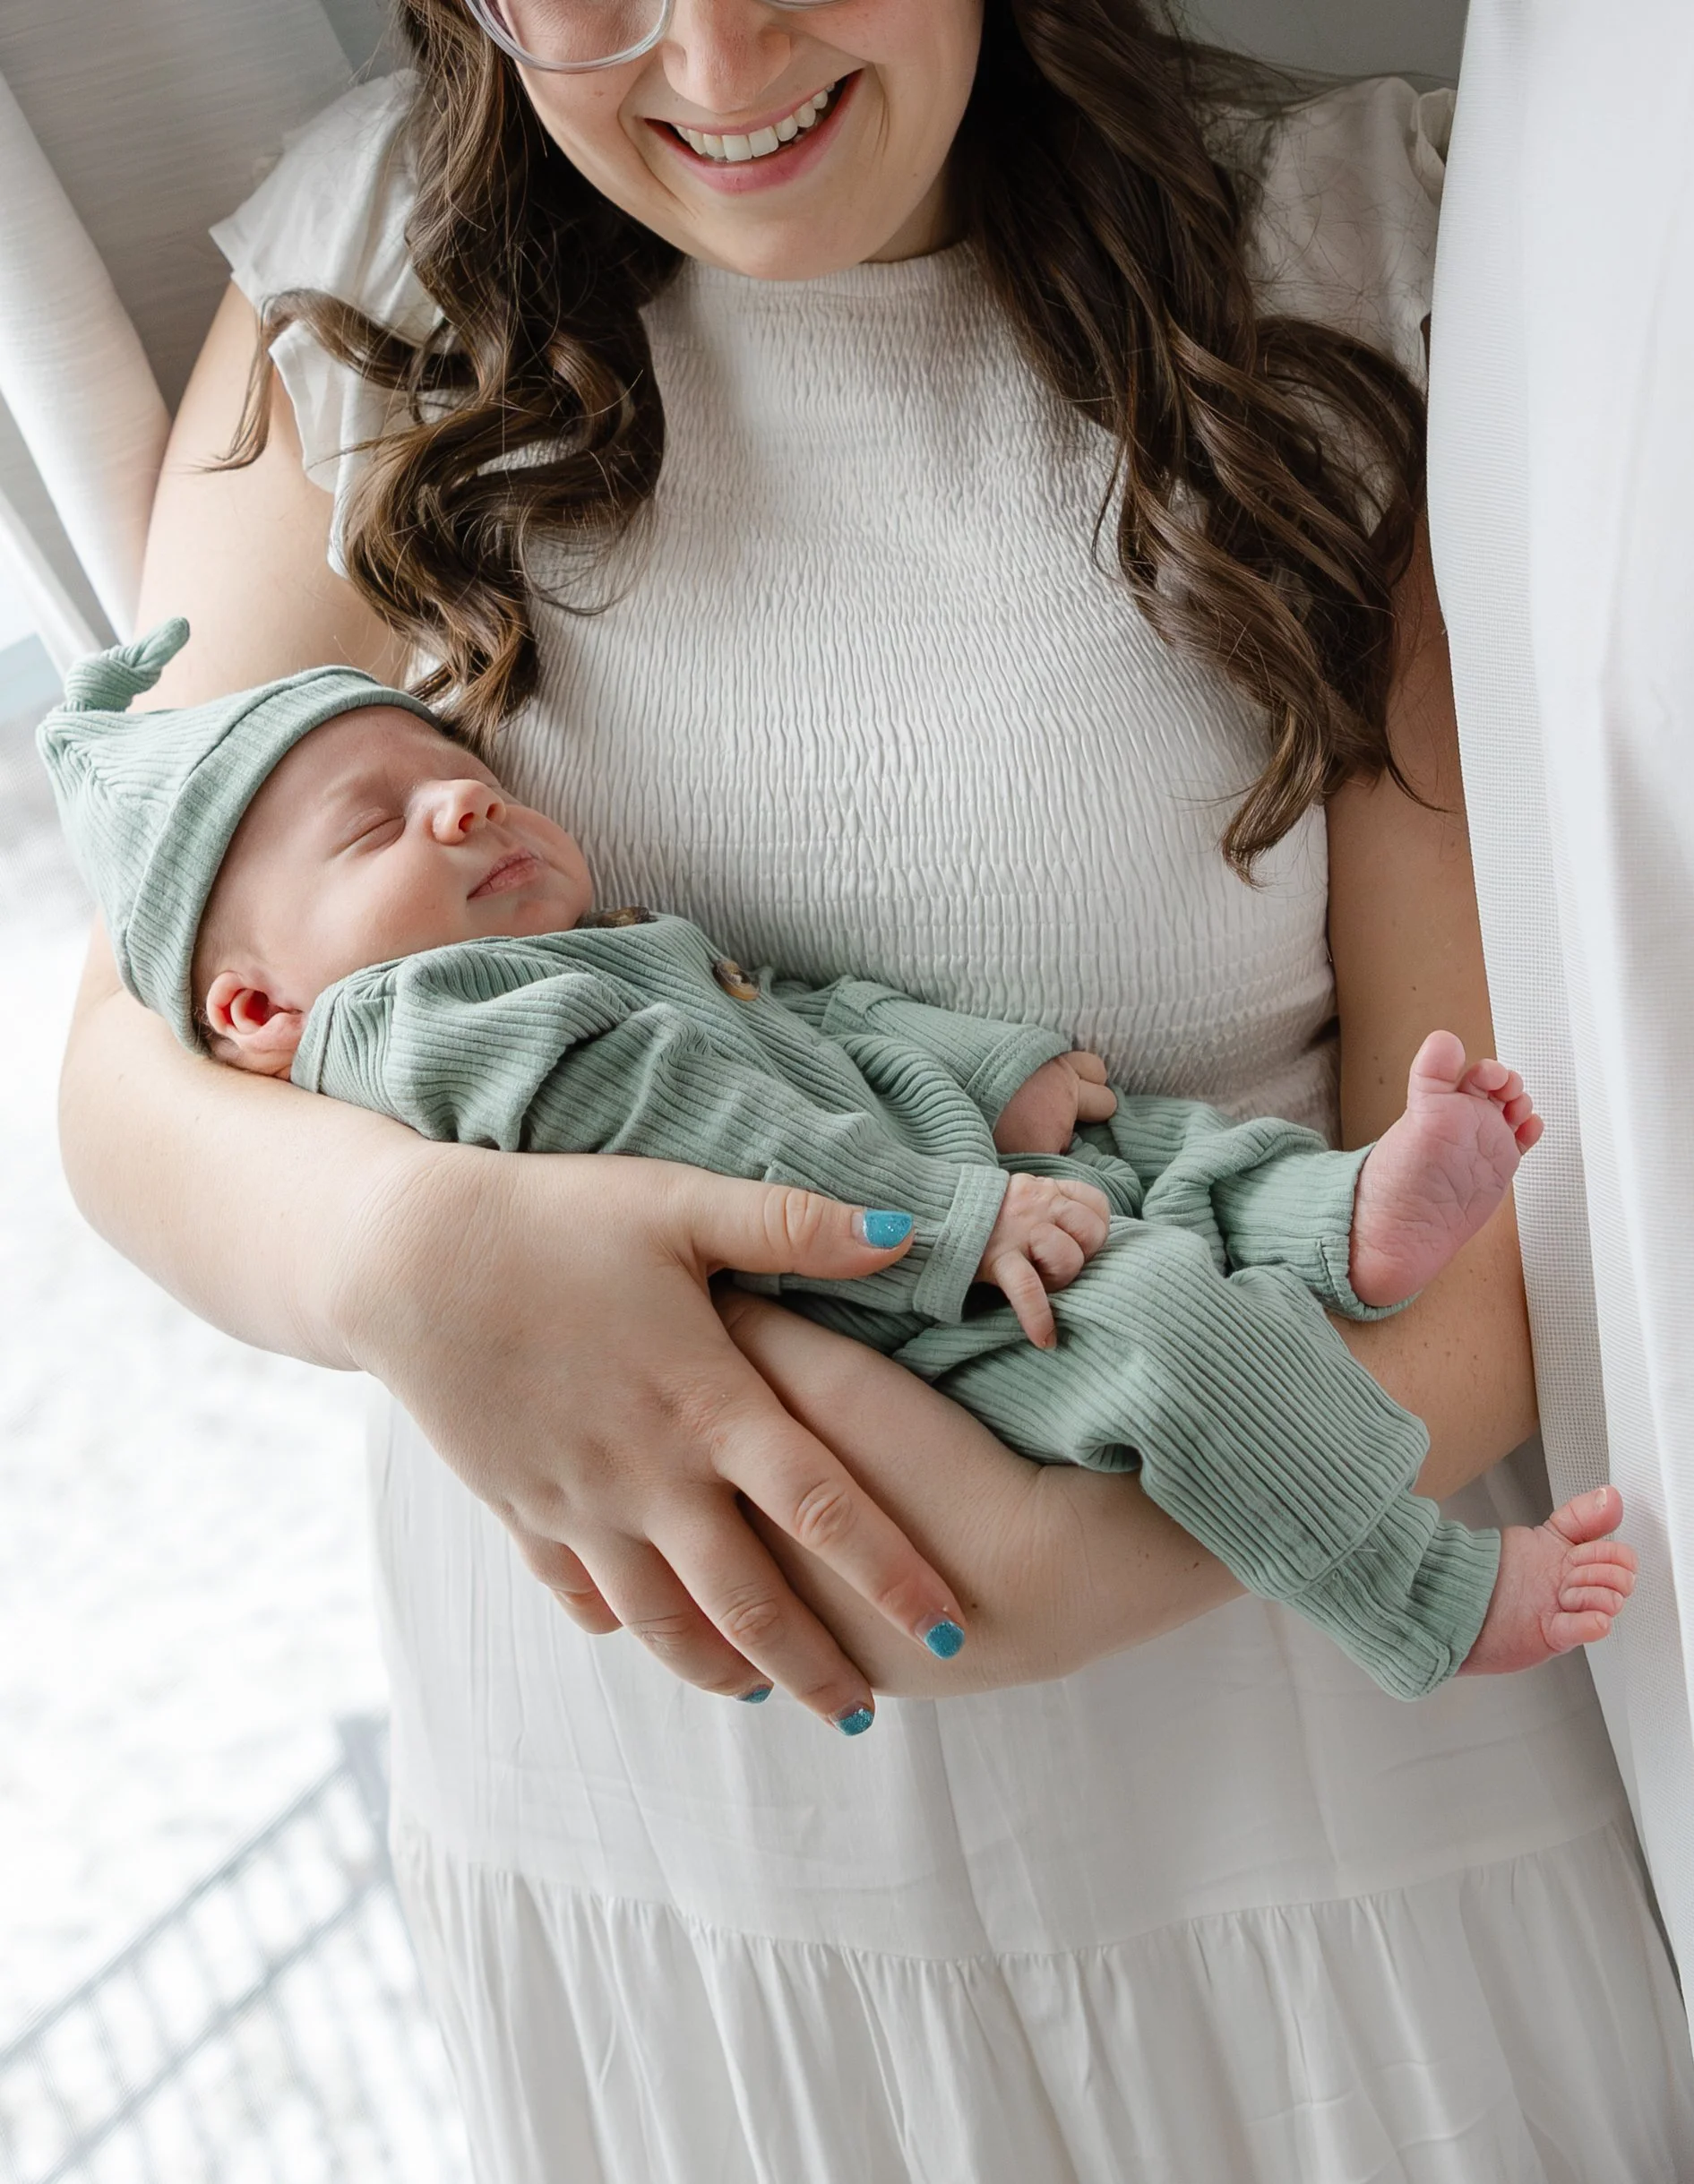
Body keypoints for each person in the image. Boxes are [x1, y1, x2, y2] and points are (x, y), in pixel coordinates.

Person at [58, 2, 1694, 2175]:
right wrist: (403, 1254)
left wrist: (1039, 1564)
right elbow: (137, 1063)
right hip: (668, 1890)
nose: (720, 59)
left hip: (1298, 1852)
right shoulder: (372, 281)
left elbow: (1496, 1252)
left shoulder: (1347, 263)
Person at [47, 625, 1638, 1706]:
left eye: (462, 773)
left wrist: (989, 1079)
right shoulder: (426, 1029)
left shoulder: (583, 952)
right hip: (878, 1295)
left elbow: (798, 1015)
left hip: (926, 1196)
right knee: (1167, 1326)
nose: (461, 795)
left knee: (1149, 1146)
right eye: (374, 822)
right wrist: (955, 1214)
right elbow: (688, 1120)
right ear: (255, 1008)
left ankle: (1342, 1215)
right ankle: (1418, 1594)